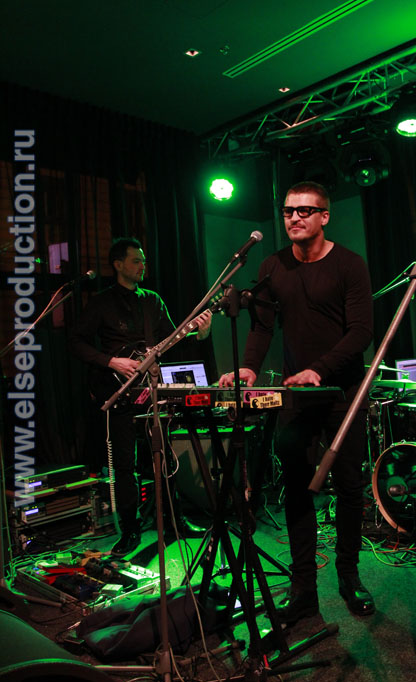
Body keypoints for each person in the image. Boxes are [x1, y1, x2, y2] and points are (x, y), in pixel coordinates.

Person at [219, 181, 375, 621]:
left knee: (349, 487)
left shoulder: (349, 265)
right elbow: (261, 327)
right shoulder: (273, 266)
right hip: (297, 397)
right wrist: (249, 367)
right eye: (288, 210)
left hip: (343, 394)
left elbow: (361, 332)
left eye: (305, 210)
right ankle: (304, 587)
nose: (294, 217)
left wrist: (319, 369)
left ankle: (349, 575)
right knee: (297, 488)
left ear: (325, 216)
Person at [71, 237, 212, 557]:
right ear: (118, 264)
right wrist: (111, 361)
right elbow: (76, 342)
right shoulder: (102, 302)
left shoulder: (153, 301)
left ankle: (174, 521)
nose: (142, 266)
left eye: (144, 261)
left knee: (166, 456)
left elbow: (173, 340)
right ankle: (131, 528)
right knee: (124, 463)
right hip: (116, 390)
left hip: (152, 388)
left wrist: (199, 333)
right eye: (136, 260)